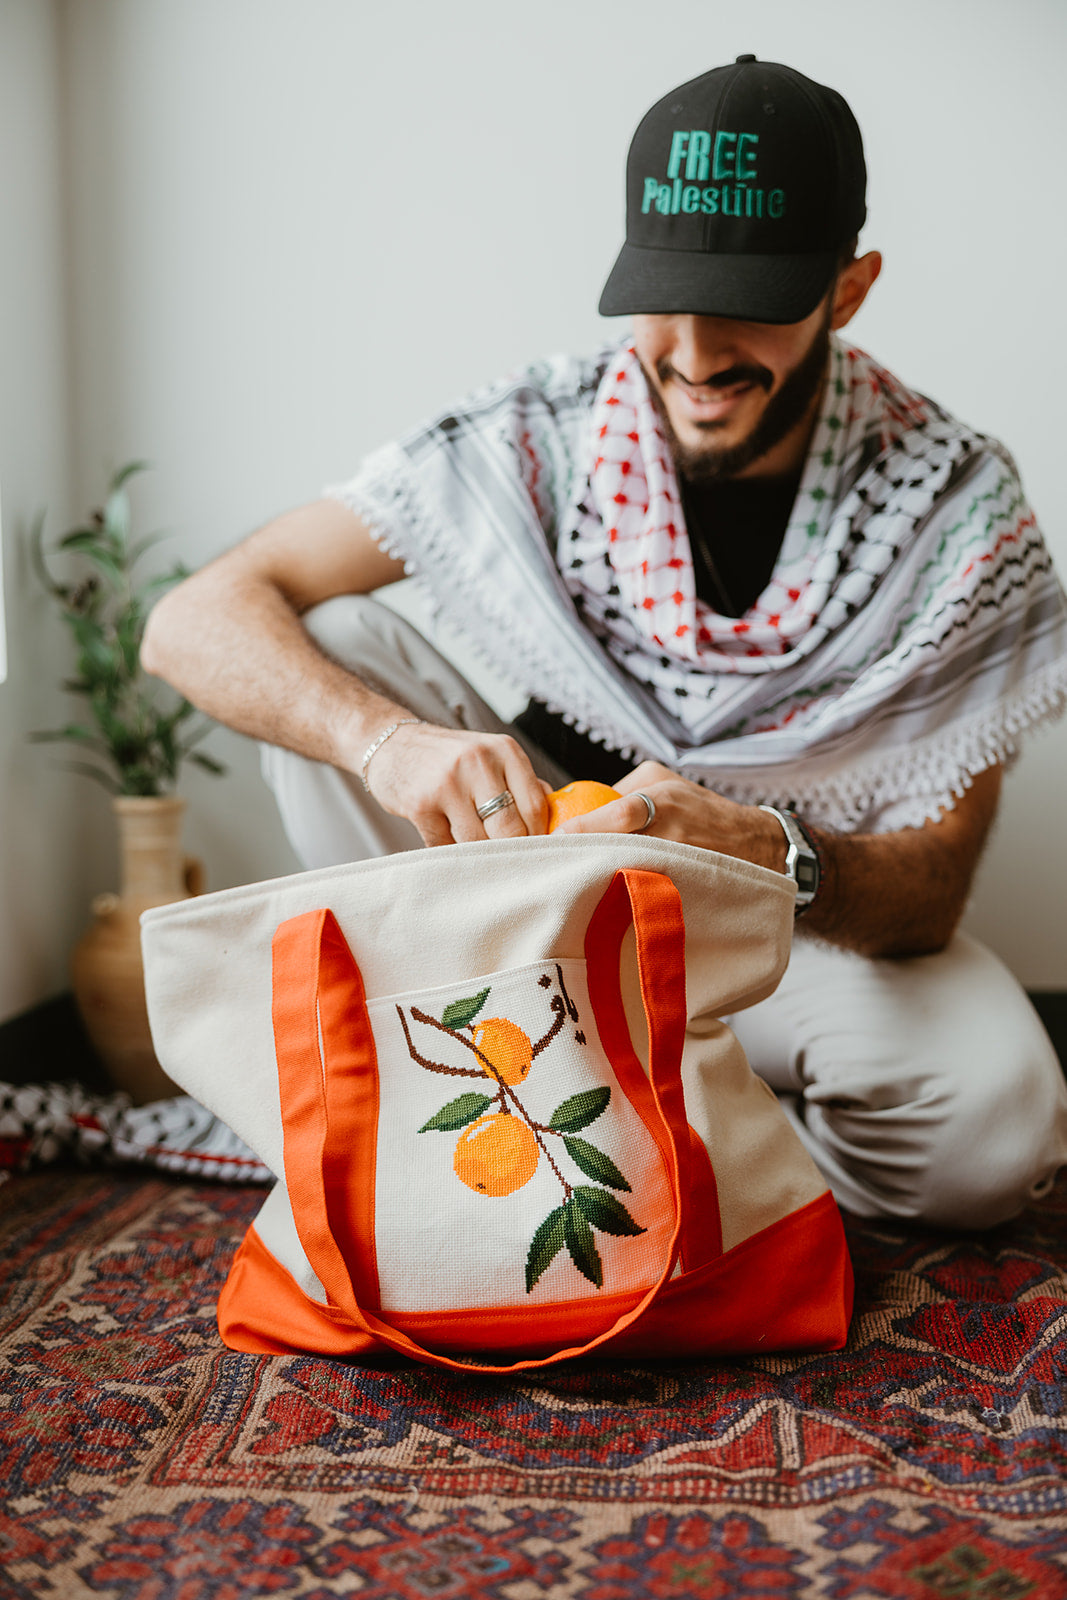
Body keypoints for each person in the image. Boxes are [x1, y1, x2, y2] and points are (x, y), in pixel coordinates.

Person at [142, 56, 1067, 1229]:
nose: (688, 350)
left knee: (994, 1125)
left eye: (753, 296)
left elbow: (929, 893)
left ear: (846, 289)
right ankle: (644, 1135)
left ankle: (623, 1145)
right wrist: (387, 746)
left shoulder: (956, 506)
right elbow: (192, 618)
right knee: (332, 636)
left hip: (785, 929)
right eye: (661, 292)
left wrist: (766, 848)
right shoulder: (544, 429)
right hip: (522, 915)